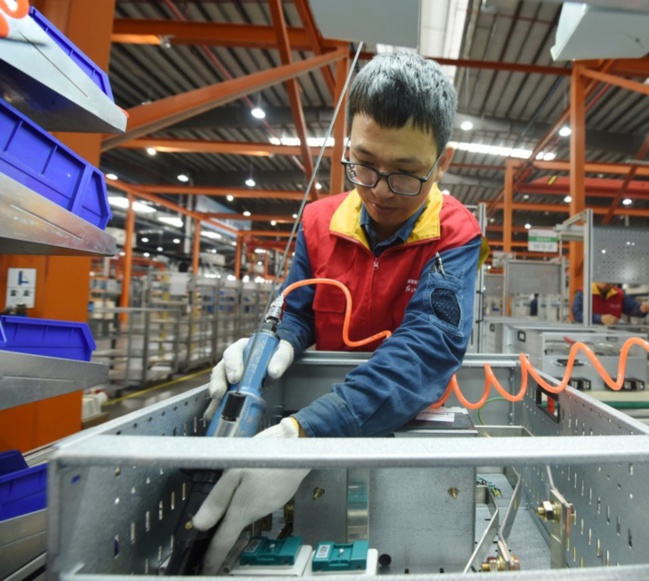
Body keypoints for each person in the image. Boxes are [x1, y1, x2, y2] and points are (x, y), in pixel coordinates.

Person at [192, 52, 487, 573]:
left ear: (443, 162)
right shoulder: (318, 222)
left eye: (406, 175)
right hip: (315, 417)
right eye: (365, 164)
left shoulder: (455, 234)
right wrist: (271, 345)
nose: (378, 190)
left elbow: (426, 350)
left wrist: (305, 436)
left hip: (403, 427)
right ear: (347, 143)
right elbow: (298, 308)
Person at [571, 282, 649, 325]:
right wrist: (599, 318)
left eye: (613, 282)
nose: (611, 285)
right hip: (589, 335)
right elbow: (577, 314)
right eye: (607, 281)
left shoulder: (618, 294)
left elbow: (631, 308)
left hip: (612, 336)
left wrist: (642, 308)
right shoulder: (583, 293)